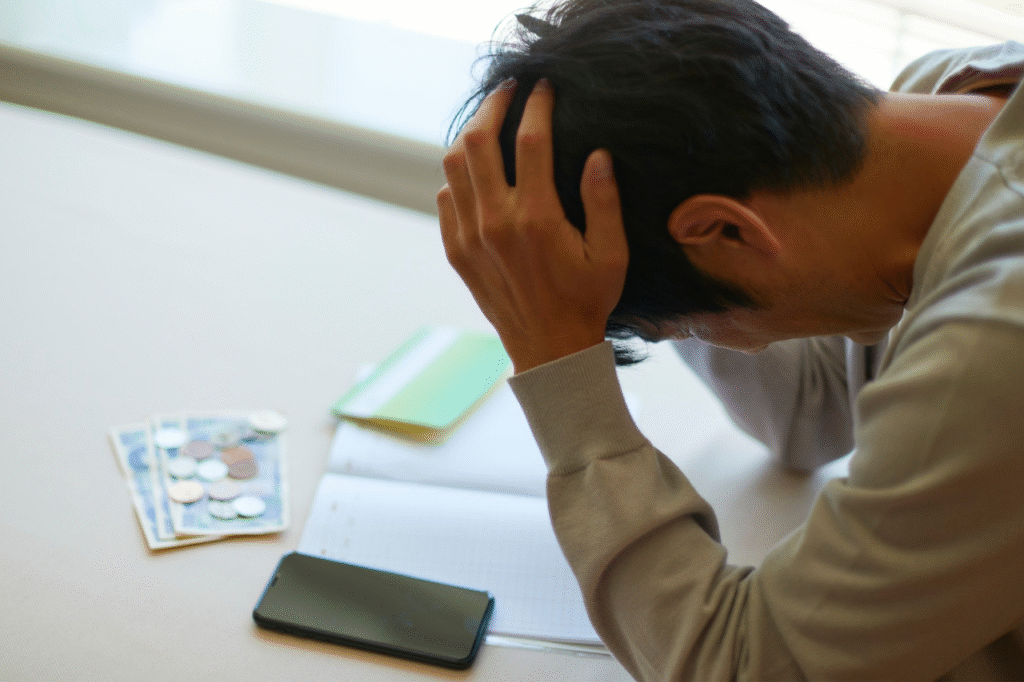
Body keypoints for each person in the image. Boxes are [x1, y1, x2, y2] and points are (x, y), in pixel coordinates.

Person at [437, 0, 1024, 678]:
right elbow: (813, 414)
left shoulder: (994, 337)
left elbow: (747, 667)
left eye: (687, 327)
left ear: (726, 231)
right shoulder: (948, 104)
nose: (741, 349)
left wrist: (559, 366)